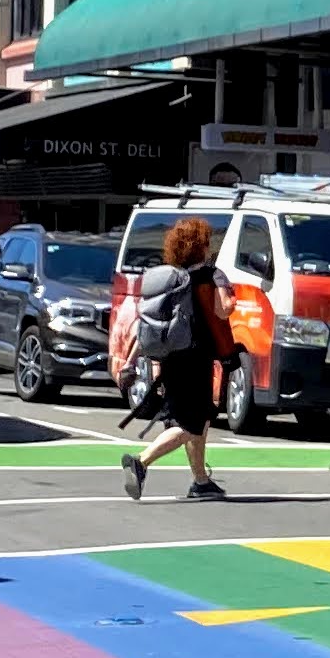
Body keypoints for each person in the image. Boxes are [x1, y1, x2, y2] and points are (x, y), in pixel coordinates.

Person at [118, 215, 228, 503]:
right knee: (190, 425)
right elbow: (224, 310)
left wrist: (130, 361)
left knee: (196, 419)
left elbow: (146, 324)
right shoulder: (207, 276)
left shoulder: (169, 279)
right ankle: (141, 462)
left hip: (170, 360)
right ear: (201, 246)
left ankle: (201, 481)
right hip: (196, 359)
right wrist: (230, 292)